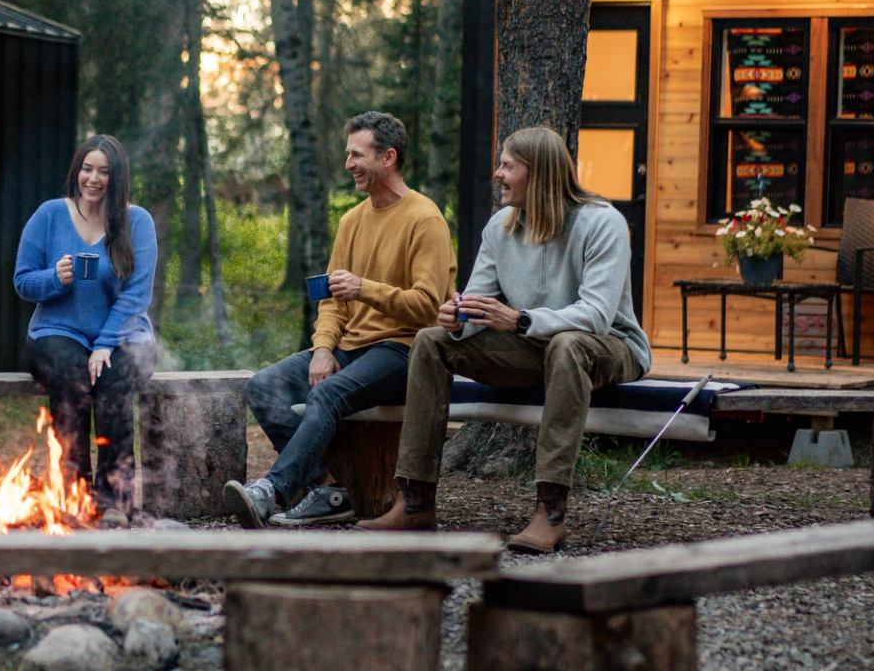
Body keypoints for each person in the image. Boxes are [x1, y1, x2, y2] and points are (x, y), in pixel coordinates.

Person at [365, 125, 650, 553]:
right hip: (537, 346)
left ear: (539, 174)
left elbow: (595, 314)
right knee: (432, 340)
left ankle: (550, 512)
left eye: (507, 166)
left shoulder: (601, 222)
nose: (498, 174)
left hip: (609, 345)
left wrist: (518, 320)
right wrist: (459, 319)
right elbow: (479, 303)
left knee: (567, 344)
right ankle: (416, 502)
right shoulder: (501, 227)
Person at [224, 112, 455, 528]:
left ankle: (271, 491)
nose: (348, 164)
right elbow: (328, 298)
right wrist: (324, 347)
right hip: (349, 348)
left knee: (327, 394)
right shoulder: (351, 221)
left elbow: (428, 307)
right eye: (347, 154)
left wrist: (365, 289)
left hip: (405, 351)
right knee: (263, 386)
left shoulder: (426, 219)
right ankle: (327, 490)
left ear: (388, 157)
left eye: (356, 154)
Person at [13, 134, 158, 524]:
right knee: (72, 377)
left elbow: (136, 296)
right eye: (87, 168)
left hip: (125, 336)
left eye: (104, 171)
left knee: (112, 383)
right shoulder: (49, 216)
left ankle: (115, 498)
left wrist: (106, 344)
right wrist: (54, 278)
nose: (93, 178)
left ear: (118, 177)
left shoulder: (137, 222)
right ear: (76, 171)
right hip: (59, 331)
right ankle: (73, 491)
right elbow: (23, 281)